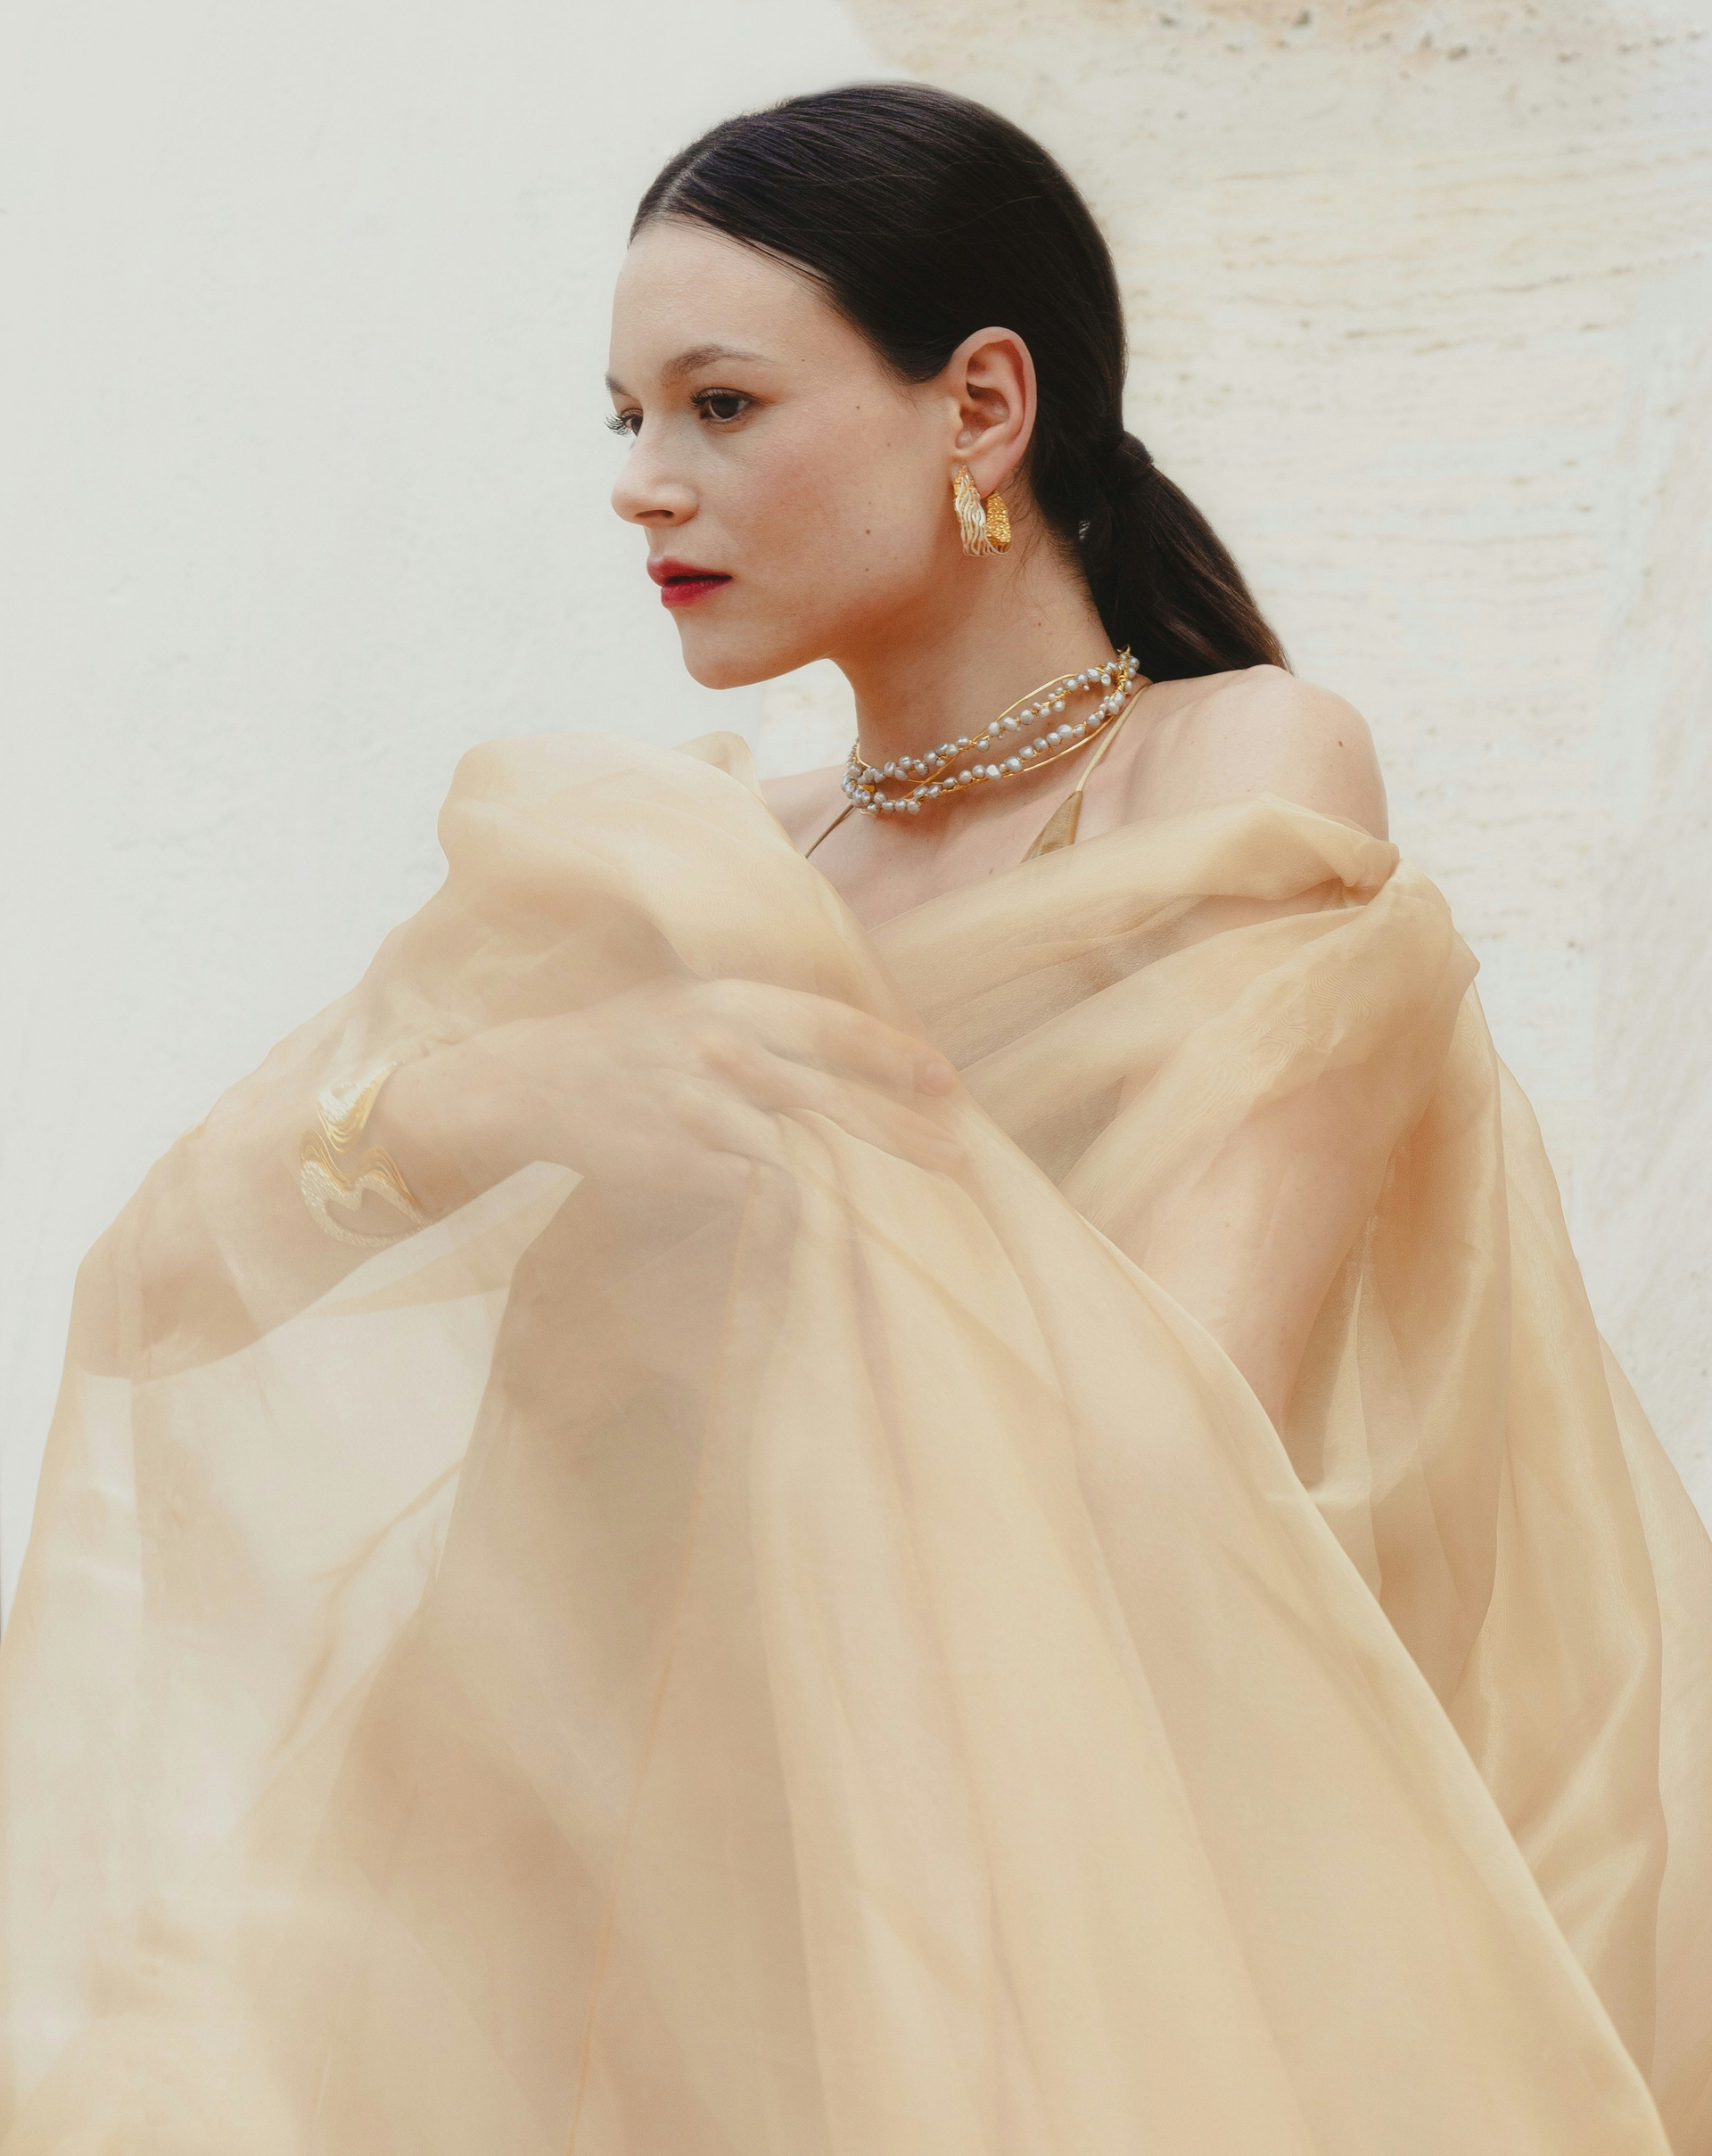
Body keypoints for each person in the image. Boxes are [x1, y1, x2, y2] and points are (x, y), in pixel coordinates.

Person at [0, 80, 1707, 2156]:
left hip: (1069, 1891)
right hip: (636, 1920)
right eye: (625, 416)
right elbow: (179, 1280)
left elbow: (1171, 1434)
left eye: (720, 406)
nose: (642, 483)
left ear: (981, 406)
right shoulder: (705, 868)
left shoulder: (1235, 772)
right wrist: (515, 1093)